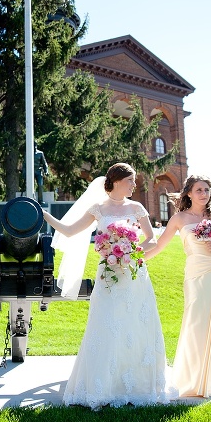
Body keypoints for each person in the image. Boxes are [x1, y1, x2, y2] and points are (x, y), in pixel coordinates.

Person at [42, 163, 172, 408]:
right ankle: (103, 388)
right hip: (108, 276)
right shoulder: (98, 209)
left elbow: (151, 241)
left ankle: (136, 388)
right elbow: (69, 231)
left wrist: (129, 254)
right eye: (131, 181)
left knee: (135, 326)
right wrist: (47, 216)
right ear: (116, 181)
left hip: (134, 275)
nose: (135, 185)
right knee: (105, 325)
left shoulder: (137, 207)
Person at [145, 175, 211, 397]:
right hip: (196, 275)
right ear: (188, 193)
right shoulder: (179, 219)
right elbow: (158, 246)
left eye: (207, 189)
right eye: (199, 190)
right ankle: (190, 380)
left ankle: (210, 380)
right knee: (195, 323)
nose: (204, 193)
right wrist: (135, 259)